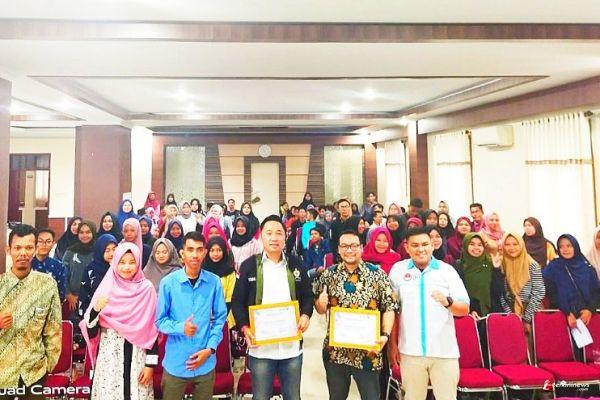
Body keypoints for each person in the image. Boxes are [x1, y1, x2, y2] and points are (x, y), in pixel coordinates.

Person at [232, 215, 313, 400]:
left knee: (293, 396)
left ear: (285, 236)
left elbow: (308, 295)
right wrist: (244, 327)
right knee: (261, 396)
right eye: (269, 233)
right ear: (261, 236)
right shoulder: (249, 266)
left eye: (278, 233)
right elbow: (237, 301)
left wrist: (306, 315)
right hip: (261, 349)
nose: (274, 238)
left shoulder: (296, 264)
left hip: (291, 348)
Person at [388, 227, 469, 400]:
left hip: (444, 351)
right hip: (410, 351)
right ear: (407, 247)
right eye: (415, 245)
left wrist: (448, 303)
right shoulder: (398, 271)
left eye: (425, 244)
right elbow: (393, 311)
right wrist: (392, 344)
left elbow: (464, 308)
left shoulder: (447, 271)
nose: (421, 249)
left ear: (432, 245)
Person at [314, 230, 397, 400]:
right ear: (338, 249)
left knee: (371, 397)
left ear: (361, 247)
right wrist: (320, 304)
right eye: (344, 246)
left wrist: (386, 335)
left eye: (353, 246)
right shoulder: (329, 274)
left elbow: (389, 306)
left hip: (368, 352)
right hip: (335, 352)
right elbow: (320, 308)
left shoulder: (377, 274)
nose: (349, 250)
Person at [80, 243, 159, 400]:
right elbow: (91, 332)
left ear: (138, 263)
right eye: (122, 262)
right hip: (110, 357)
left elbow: (152, 331)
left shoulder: (146, 289)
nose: (127, 267)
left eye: (132, 262)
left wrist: (150, 365)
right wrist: (95, 310)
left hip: (137, 356)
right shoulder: (106, 288)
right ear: (115, 263)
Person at [156, 231, 227, 400]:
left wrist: (210, 349)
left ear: (204, 252)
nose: (195, 255)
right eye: (190, 249)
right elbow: (160, 321)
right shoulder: (168, 283)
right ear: (182, 253)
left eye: (199, 250)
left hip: (205, 362)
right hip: (176, 362)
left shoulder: (214, 282)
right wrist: (181, 327)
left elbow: (220, 319)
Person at [0, 224, 62, 399]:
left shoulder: (47, 285)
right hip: (3, 371)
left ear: (35, 250)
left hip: (34, 372)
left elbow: (54, 328)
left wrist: (48, 366)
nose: (23, 253)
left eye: (28, 248)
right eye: (17, 248)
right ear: (8, 250)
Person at [544, 234, 600, 328]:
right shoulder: (553, 268)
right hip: (562, 316)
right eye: (561, 246)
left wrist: (589, 310)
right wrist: (567, 312)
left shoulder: (587, 268)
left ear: (575, 247)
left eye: (569, 246)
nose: (565, 249)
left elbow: (596, 293)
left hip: (587, 318)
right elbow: (551, 294)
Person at [499, 233, 545, 333]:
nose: (511, 248)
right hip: (510, 314)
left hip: (531, 314)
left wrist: (526, 318)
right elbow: (501, 293)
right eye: (507, 244)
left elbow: (539, 292)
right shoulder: (502, 264)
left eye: (515, 244)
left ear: (521, 245)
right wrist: (511, 315)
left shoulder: (532, 265)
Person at [454, 233, 504, 318]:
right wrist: (471, 309)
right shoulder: (458, 266)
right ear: (465, 245)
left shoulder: (489, 263)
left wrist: (496, 269)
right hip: (467, 313)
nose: (476, 247)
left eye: (480, 245)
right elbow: (457, 292)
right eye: (472, 244)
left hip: (490, 314)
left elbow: (498, 291)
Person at [63, 220, 97, 321]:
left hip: (95, 300)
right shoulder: (70, 251)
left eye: (88, 232)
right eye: (81, 232)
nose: (84, 235)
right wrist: (68, 294)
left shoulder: (99, 251)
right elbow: (63, 274)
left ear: (93, 232)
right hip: (74, 300)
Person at [78, 234, 118, 317]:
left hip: (115, 313)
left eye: (114, 249)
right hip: (93, 312)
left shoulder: (120, 268)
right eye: (107, 250)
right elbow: (84, 293)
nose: (112, 254)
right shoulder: (91, 270)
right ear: (100, 250)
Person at [32, 228, 67, 302]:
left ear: (53, 244)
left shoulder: (59, 266)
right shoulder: (27, 264)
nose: (44, 245)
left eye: (48, 241)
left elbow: (61, 293)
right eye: (40, 241)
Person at [202, 236, 236, 313]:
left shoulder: (229, 271)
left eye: (219, 250)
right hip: (204, 312)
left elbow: (229, 298)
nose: (215, 254)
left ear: (224, 251)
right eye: (212, 250)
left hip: (224, 312)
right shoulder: (202, 270)